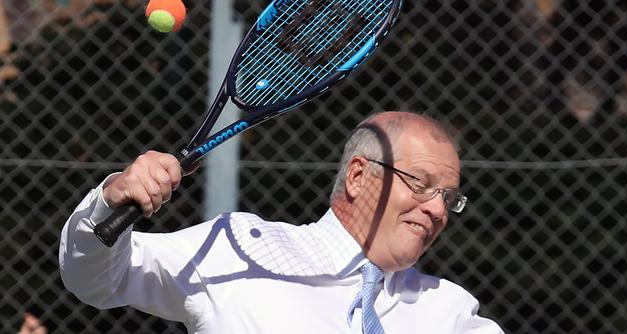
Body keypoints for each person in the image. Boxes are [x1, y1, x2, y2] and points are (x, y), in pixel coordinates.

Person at [59, 111, 504, 333]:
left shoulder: (451, 314)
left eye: (448, 197)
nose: (438, 209)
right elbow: (97, 281)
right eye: (420, 183)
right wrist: (109, 200)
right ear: (357, 177)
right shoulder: (236, 248)